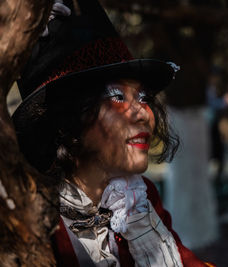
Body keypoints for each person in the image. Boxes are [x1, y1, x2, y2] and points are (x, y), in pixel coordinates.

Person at [12, 0, 214, 266]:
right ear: (68, 119)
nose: (143, 113)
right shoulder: (28, 218)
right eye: (117, 96)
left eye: (143, 97)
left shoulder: (139, 198)